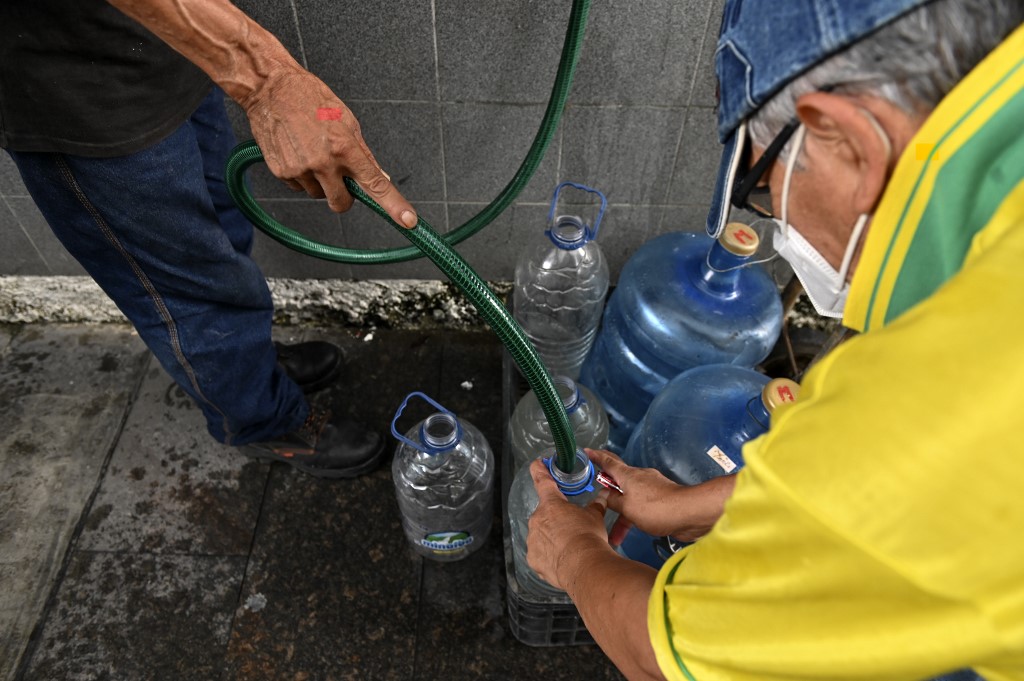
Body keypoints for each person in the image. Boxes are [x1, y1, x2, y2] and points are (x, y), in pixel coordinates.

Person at [526, 1, 1024, 679]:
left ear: (846, 137)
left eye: (761, 192)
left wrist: (574, 555)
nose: (775, 232)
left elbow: (666, 655)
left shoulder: (933, 394)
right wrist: (681, 505)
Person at [0, 0, 419, 478]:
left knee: (223, 236)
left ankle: (249, 367)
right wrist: (266, 81)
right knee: (190, 292)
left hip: (168, 45)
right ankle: (262, 420)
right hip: (76, 95)